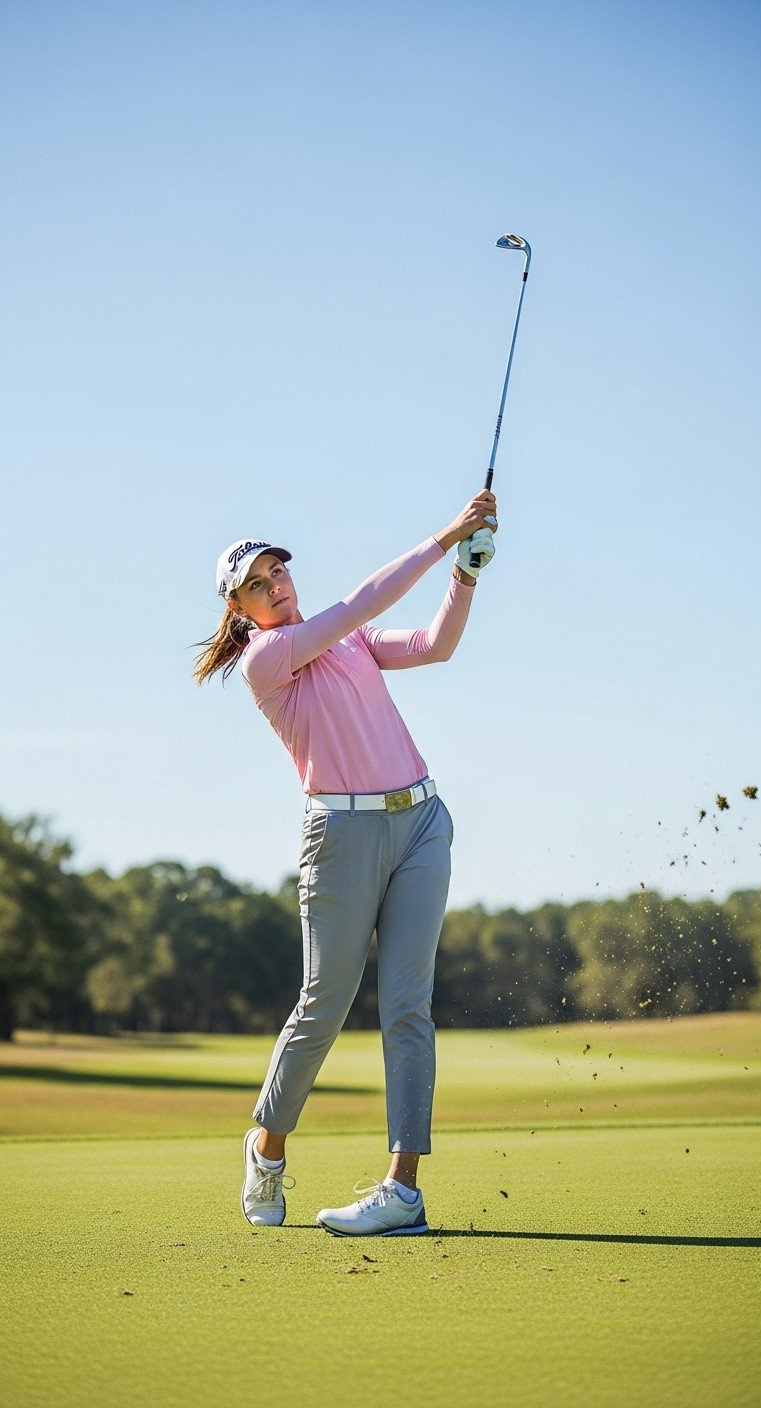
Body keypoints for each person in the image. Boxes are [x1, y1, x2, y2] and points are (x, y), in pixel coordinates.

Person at [194, 490, 497, 1236]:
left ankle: (403, 1190)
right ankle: (266, 1149)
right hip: (341, 840)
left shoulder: (350, 644)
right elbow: (361, 602)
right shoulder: (271, 658)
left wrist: (467, 571)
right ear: (242, 612)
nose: (278, 587)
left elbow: (434, 646)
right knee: (323, 1006)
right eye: (259, 586)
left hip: (422, 822)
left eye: (279, 572)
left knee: (408, 1006)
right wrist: (444, 534)